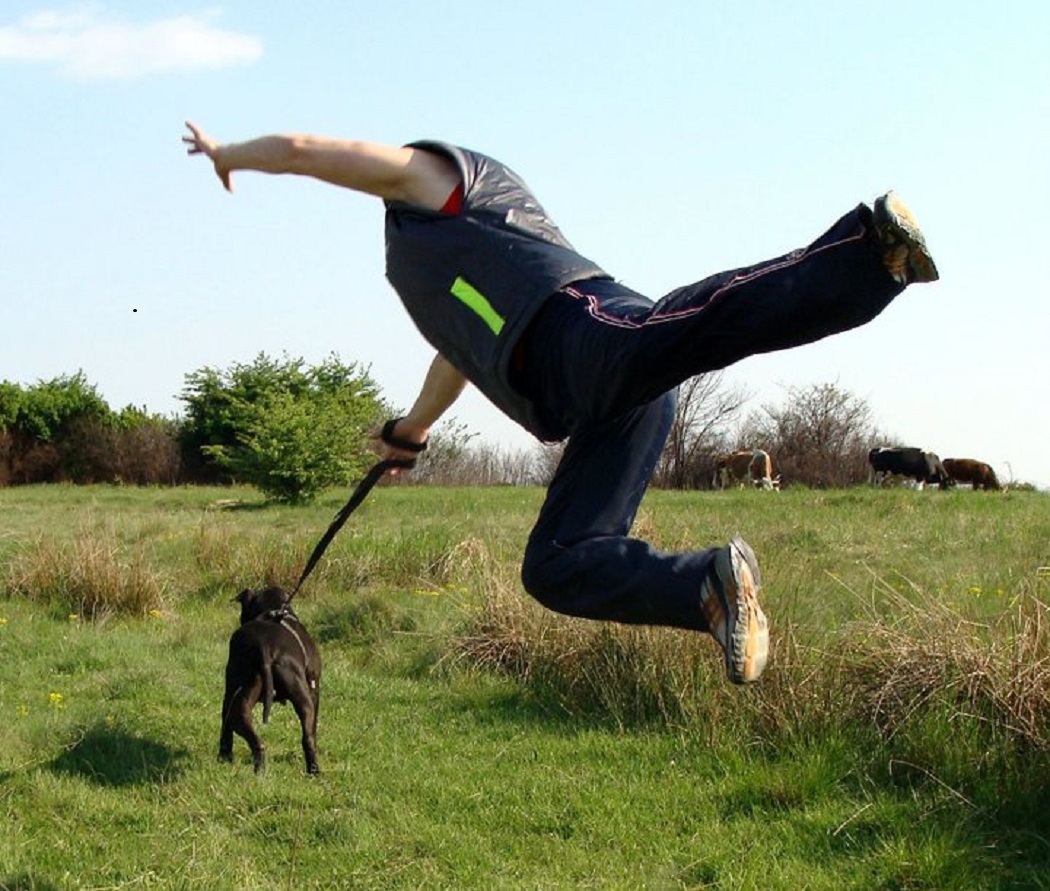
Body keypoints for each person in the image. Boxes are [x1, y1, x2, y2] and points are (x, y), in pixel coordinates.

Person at [183, 121, 938, 684]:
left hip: (582, 329)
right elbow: (459, 353)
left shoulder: (439, 181)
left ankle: (869, 254)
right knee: (554, 564)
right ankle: (708, 580)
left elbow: (307, 148)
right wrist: (410, 432)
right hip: (591, 399)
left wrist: (229, 155)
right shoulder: (429, 258)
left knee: (688, 328)